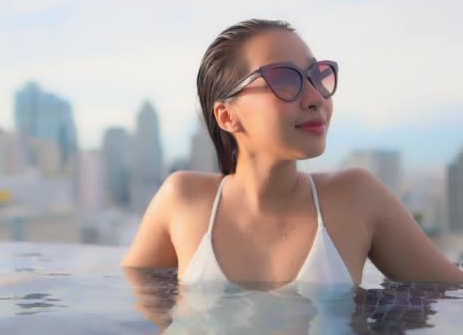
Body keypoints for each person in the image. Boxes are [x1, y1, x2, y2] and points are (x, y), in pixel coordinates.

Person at [121, 19, 463, 291]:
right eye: (285, 80)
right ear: (227, 116)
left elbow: (453, 289)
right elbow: (133, 301)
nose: (316, 97)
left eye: (317, 75)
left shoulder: (356, 198)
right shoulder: (182, 201)